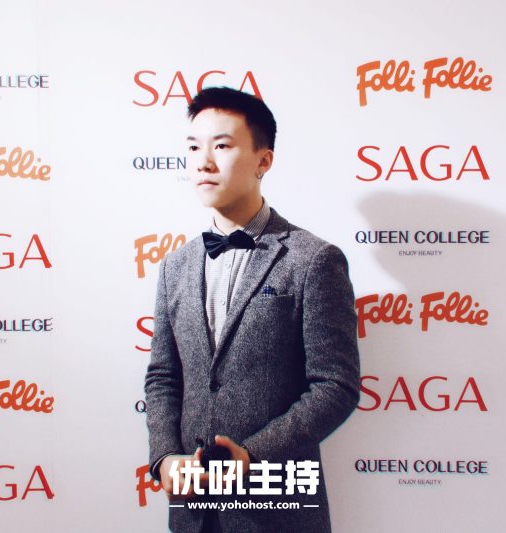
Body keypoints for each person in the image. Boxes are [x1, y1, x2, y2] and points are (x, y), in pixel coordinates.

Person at [145, 86, 360, 533]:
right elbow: (164, 376)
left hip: (277, 512)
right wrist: (164, 457)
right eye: (193, 148)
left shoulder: (313, 260)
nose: (203, 162)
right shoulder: (174, 267)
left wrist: (254, 456)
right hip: (193, 515)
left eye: (222, 146)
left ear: (264, 160)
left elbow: (335, 385)